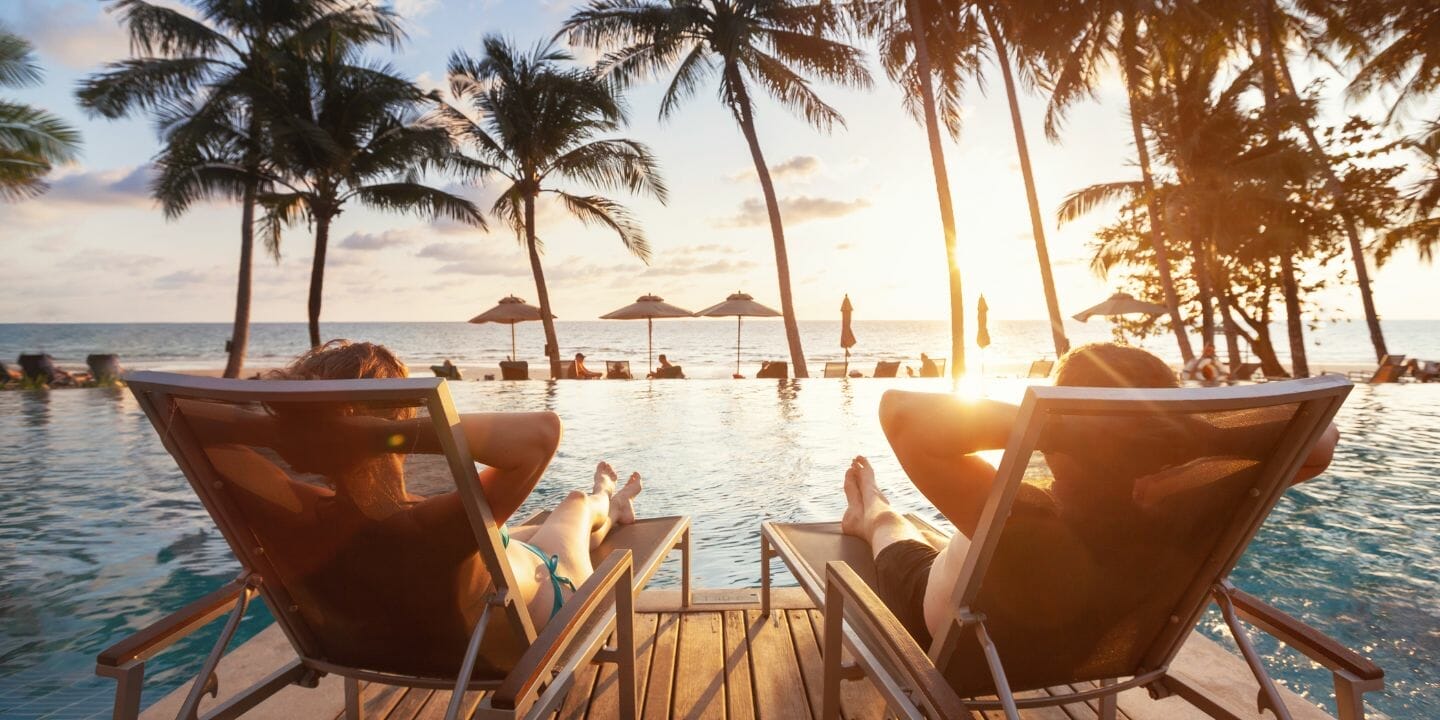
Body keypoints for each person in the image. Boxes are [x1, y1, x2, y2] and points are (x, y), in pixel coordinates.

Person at [839, 343, 1341, 647]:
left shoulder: (1025, 514)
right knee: (937, 535)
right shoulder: (1186, 505)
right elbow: (1323, 440)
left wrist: (1065, 428)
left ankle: (870, 510)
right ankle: (879, 511)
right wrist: (1185, 435)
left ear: (1055, 442)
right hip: (1085, 635)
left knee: (889, 529)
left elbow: (899, 411)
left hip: (936, 612)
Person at [199, 341, 643, 633]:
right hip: (553, 596)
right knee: (576, 504)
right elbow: (542, 432)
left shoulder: (305, 510)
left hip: (495, 567)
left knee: (536, 522)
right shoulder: (429, 527)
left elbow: (192, 421)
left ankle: (615, 504)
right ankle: (610, 494)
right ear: (397, 421)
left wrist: (293, 430)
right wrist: (372, 432)